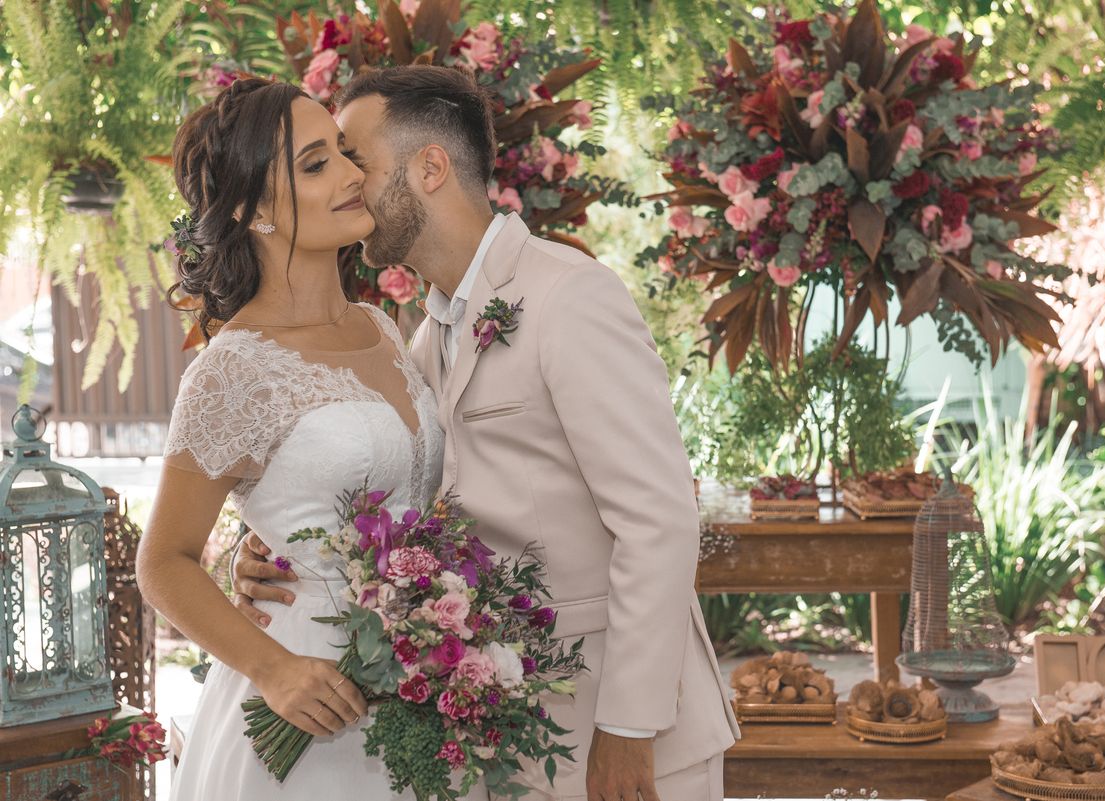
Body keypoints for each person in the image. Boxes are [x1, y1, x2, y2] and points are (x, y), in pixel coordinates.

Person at [232, 65, 739, 801]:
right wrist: (272, 548)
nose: (346, 180)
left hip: (624, 738)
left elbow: (659, 520)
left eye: (356, 158)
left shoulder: (569, 296)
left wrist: (629, 728)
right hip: (502, 736)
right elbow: (402, 492)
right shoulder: (419, 334)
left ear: (429, 168)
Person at [136, 76, 486, 800]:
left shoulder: (383, 327)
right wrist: (274, 669)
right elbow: (162, 561)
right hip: (304, 705)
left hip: (419, 690)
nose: (352, 176)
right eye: (316, 163)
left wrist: (261, 543)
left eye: (345, 154)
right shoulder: (233, 367)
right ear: (251, 209)